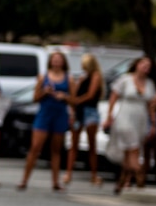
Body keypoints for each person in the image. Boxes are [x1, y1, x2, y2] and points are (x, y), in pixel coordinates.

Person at [17, 50, 75, 191]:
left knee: (56, 149)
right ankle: (24, 180)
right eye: (54, 59)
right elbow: (34, 98)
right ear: (50, 61)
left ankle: (55, 182)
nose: (56, 62)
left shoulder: (69, 79)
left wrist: (64, 97)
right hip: (44, 114)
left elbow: (74, 100)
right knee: (35, 147)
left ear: (63, 62)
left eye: (59, 59)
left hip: (60, 114)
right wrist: (45, 92)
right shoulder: (43, 77)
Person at [104, 56, 156, 194]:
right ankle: (140, 178)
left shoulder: (150, 83)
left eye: (148, 66)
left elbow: (150, 107)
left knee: (129, 152)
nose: (145, 68)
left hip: (140, 119)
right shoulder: (125, 79)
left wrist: (153, 124)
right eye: (143, 64)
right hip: (125, 117)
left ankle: (122, 182)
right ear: (136, 65)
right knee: (133, 150)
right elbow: (113, 97)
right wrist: (109, 116)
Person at [64, 53, 105, 186]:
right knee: (73, 144)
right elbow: (75, 93)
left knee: (91, 144)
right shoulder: (83, 77)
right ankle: (69, 173)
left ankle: (94, 174)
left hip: (90, 111)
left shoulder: (96, 76)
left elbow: (90, 95)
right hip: (79, 112)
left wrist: (76, 101)